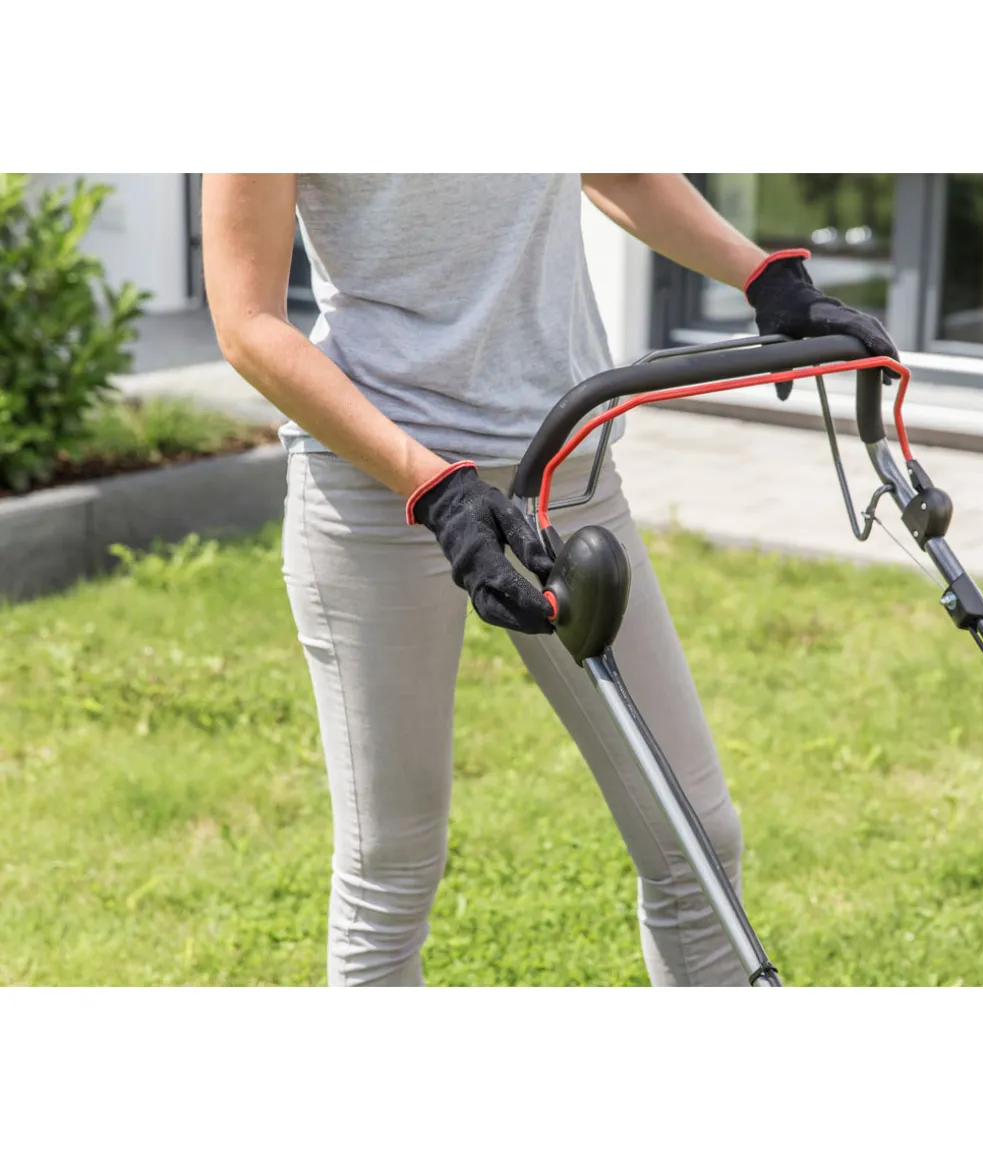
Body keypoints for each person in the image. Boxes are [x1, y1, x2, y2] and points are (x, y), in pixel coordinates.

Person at [201, 174, 897, 986]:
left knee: (695, 840)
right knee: (392, 865)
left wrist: (764, 276)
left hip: (565, 464)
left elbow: (618, 170)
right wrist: (434, 488)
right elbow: (246, 321)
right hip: (378, 485)